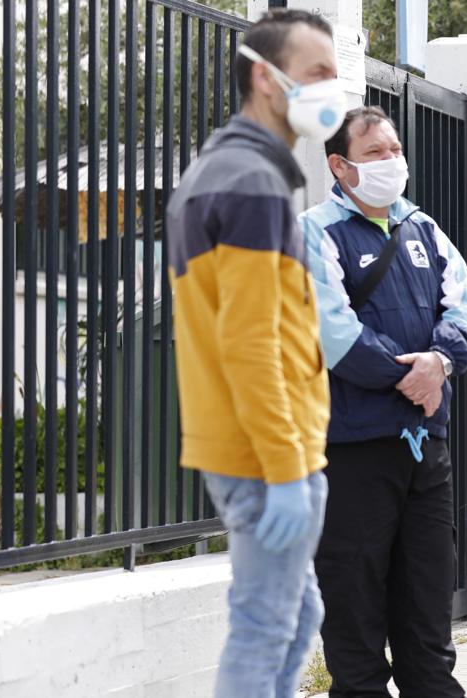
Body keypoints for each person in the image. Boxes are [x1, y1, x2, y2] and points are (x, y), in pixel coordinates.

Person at [165, 10, 344, 697]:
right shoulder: (253, 182)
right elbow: (250, 343)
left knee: (297, 621)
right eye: (317, 73)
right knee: (266, 627)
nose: (333, 88)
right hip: (266, 453)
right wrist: (286, 470)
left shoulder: (222, 168)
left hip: (247, 445)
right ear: (266, 80)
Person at [298, 106, 467, 698]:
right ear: (340, 166)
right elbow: (335, 333)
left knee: (427, 598)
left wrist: (441, 362)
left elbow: (465, 315)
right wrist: (414, 377)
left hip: (427, 450)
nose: (391, 161)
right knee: (354, 599)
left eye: (395, 150)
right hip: (354, 449)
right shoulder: (315, 232)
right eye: (375, 153)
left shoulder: (426, 230)